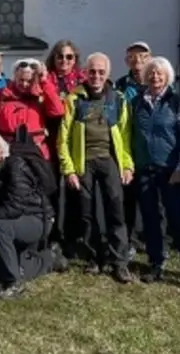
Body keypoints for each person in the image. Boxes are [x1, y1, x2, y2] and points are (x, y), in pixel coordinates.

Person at [57, 53, 135, 282]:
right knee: (86, 212)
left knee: (116, 210)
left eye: (101, 72)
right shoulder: (74, 99)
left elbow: (126, 134)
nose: (96, 76)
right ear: (85, 72)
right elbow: (63, 137)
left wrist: (128, 164)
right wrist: (69, 169)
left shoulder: (118, 99)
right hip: (84, 163)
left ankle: (119, 261)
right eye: (92, 71)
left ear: (107, 74)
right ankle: (94, 256)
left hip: (110, 160)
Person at [130, 56, 180, 289]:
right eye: (151, 73)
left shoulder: (177, 102)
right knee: (151, 219)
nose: (155, 77)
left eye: (160, 73)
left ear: (167, 77)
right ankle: (156, 263)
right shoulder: (138, 102)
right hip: (145, 169)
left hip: (170, 171)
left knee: (178, 219)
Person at [0, 130, 58, 300]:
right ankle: (51, 257)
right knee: (22, 267)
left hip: (38, 219)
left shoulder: (16, 166)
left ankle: (12, 284)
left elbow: (14, 207)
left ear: (1, 149)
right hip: (16, 221)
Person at [43, 39, 85, 259]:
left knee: (75, 190)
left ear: (75, 59)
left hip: (74, 142)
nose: (64, 61)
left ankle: (74, 237)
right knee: (52, 191)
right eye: (60, 56)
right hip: (50, 140)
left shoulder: (82, 81)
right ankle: (53, 237)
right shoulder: (45, 79)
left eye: (69, 57)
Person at [116, 41, 153, 249]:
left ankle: (154, 238)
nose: (137, 61)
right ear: (126, 60)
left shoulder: (157, 82)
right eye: (132, 56)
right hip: (128, 147)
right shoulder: (121, 85)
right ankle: (131, 238)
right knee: (128, 197)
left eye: (142, 56)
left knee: (153, 198)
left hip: (150, 150)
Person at [0, 59, 65, 160]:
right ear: (15, 76)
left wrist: (44, 81)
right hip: (9, 150)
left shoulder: (41, 93)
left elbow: (57, 111)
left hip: (36, 151)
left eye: (29, 81)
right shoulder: (2, 95)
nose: (25, 84)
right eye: (21, 80)